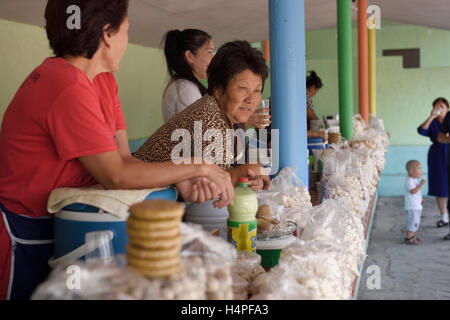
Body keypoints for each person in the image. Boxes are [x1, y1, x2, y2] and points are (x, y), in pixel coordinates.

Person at [0, 0, 233, 300]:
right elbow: (116, 176)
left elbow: (125, 160)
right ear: (106, 34)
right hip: (26, 229)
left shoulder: (104, 81)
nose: (127, 40)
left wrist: (177, 179)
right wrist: (201, 166)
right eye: (126, 30)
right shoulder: (65, 84)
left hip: (71, 222)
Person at [134, 40, 271, 191]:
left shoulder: (225, 118)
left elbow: (224, 173)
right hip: (134, 195)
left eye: (257, 90)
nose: (251, 99)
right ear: (218, 89)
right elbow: (213, 187)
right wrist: (248, 169)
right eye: (243, 88)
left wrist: (248, 176)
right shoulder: (209, 116)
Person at [161, 29, 214, 123]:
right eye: (209, 52)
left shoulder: (183, 85)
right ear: (189, 56)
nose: (213, 58)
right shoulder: (186, 89)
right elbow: (202, 134)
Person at [417, 97, 449, 228]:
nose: (439, 108)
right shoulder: (434, 122)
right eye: (437, 106)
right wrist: (431, 117)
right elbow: (422, 130)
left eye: (442, 106)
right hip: (437, 154)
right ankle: (444, 217)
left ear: (447, 108)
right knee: (440, 186)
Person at [404, 160, 426, 245]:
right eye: (419, 169)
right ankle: (408, 238)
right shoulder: (409, 181)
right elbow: (413, 191)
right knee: (412, 222)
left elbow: (416, 193)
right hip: (412, 207)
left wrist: (420, 199)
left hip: (416, 205)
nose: (421, 171)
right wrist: (421, 184)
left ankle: (412, 236)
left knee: (416, 222)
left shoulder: (414, 179)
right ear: (411, 171)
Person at [306, 71, 327, 141]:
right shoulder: (306, 96)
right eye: (316, 90)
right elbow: (308, 113)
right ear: (313, 87)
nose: (316, 93)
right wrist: (319, 122)